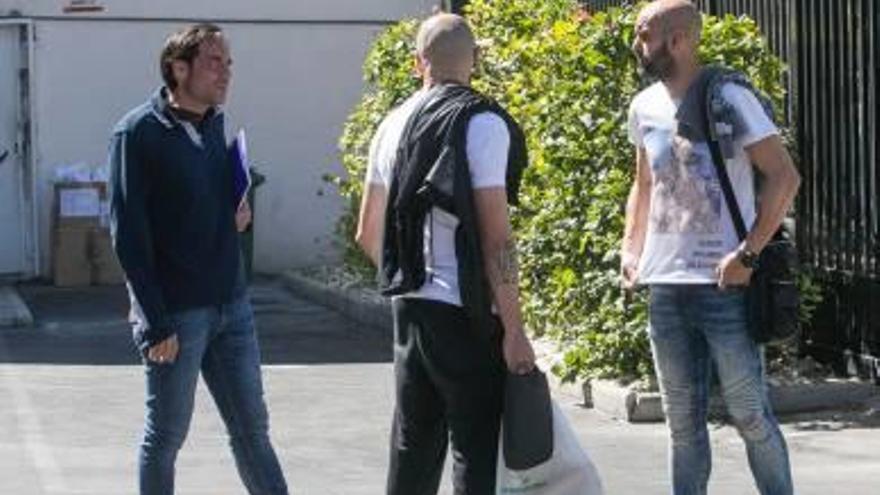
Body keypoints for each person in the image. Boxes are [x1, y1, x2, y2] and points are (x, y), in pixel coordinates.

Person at [621, 1, 801, 494]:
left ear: (677, 40)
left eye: (644, 35)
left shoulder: (728, 98)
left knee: (750, 416)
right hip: (665, 289)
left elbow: (785, 178)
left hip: (724, 288)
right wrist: (631, 250)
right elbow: (644, 183)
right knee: (682, 426)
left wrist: (747, 256)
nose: (638, 45)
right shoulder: (644, 106)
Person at [355, 12, 536, 495]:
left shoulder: (390, 124)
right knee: (475, 452)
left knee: (413, 450)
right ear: (474, 61)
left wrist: (411, 284)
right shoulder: (482, 122)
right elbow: (497, 237)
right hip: (466, 312)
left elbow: (368, 234)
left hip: (409, 310)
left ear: (418, 63)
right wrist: (514, 330)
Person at [109, 24, 289, 495]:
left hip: (232, 307)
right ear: (178, 68)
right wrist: (154, 321)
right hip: (176, 315)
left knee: (253, 432)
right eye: (214, 62)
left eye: (228, 63)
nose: (225, 73)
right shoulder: (137, 133)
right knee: (166, 437)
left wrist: (235, 211)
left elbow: (203, 205)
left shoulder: (214, 125)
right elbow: (128, 236)